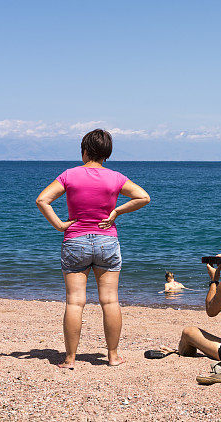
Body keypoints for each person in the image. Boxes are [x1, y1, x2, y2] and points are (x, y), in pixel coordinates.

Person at [36, 129, 150, 368]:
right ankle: (113, 356)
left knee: (75, 302)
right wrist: (117, 211)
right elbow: (143, 197)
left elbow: (42, 200)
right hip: (107, 240)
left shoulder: (69, 175)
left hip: (75, 241)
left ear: (84, 150)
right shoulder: (116, 178)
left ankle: (69, 359)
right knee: (110, 301)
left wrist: (59, 225)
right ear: (107, 154)